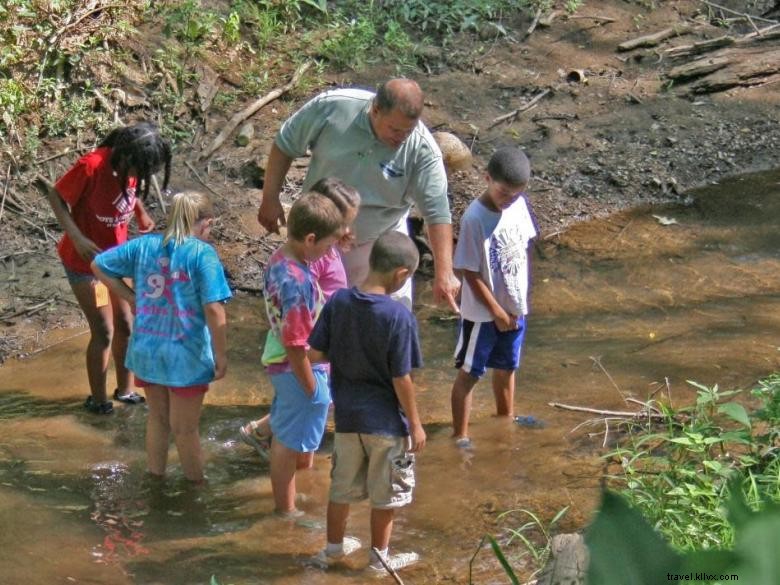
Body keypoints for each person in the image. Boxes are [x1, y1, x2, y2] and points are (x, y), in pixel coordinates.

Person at [256, 77, 460, 311]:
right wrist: (270, 198)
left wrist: (445, 273)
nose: (401, 137)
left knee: (387, 318)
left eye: (408, 130)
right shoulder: (333, 107)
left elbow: (438, 213)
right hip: (318, 236)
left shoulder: (422, 150)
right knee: (308, 315)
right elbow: (286, 142)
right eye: (395, 129)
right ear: (375, 110)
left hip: (377, 243)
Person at [91, 191, 231, 483]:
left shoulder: (144, 245)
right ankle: (197, 489)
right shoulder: (202, 254)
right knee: (186, 429)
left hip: (147, 349)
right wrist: (221, 355)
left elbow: (98, 265)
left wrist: (130, 297)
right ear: (206, 224)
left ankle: (155, 480)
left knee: (158, 420)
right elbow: (214, 310)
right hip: (186, 355)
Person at [308, 231, 425, 573]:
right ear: (401, 274)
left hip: (347, 420)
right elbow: (402, 378)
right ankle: (380, 560)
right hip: (387, 424)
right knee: (386, 495)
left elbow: (315, 352)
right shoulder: (398, 316)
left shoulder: (339, 302)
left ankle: (331, 550)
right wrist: (415, 424)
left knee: (340, 490)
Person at [35, 122, 172, 414]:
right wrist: (77, 237)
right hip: (87, 263)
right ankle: (98, 402)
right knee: (105, 330)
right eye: (138, 171)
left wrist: (141, 212)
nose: (139, 177)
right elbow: (56, 197)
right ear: (124, 157)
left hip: (116, 261)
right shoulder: (92, 166)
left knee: (126, 324)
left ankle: (126, 390)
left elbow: (129, 192)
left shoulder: (131, 168)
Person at [238, 178, 361, 463]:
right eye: (344, 223)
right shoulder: (306, 263)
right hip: (306, 349)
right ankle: (287, 474)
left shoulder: (314, 251)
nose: (347, 230)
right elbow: (296, 322)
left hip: (313, 345)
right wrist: (311, 387)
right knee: (308, 407)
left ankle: (278, 446)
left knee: (303, 411)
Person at [261, 192, 345, 516]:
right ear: (310, 239)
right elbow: (297, 345)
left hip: (281, 358)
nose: (329, 253)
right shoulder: (297, 284)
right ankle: (286, 509)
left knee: (289, 431)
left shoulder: (281, 257)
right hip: (293, 366)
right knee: (287, 439)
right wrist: (312, 387)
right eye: (326, 246)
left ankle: (296, 493)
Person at [449, 147, 537, 448]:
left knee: (507, 366)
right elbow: (469, 272)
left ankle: (506, 420)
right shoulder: (475, 218)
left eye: (515, 194)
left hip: (514, 308)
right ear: (487, 179)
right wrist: (496, 311)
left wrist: (517, 303)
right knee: (470, 372)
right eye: (503, 192)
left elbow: (523, 248)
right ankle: (460, 436)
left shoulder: (519, 206)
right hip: (484, 314)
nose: (509, 199)